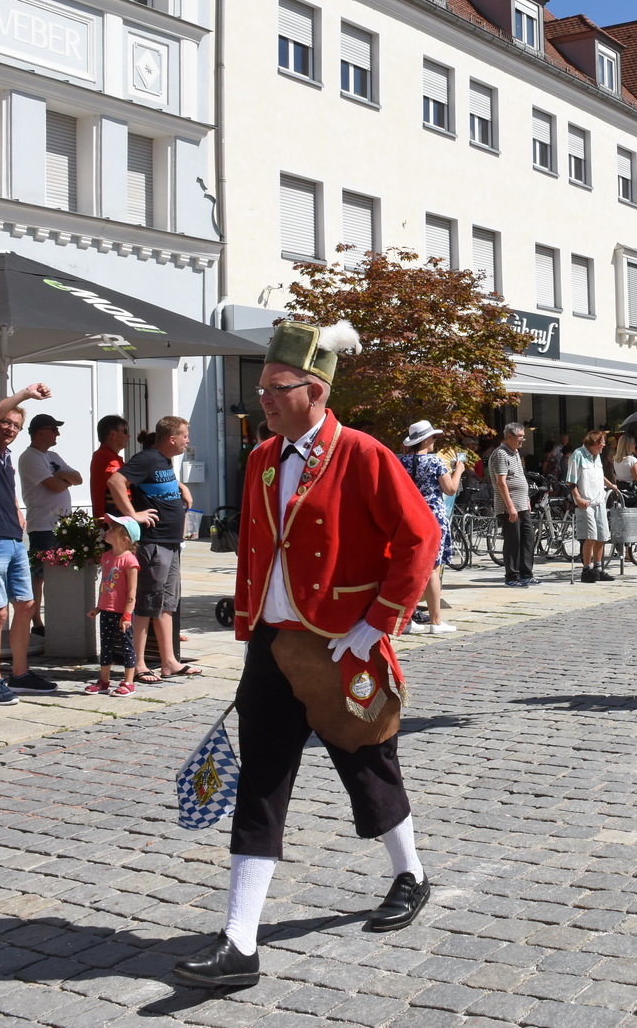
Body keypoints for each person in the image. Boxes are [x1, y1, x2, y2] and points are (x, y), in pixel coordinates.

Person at [174, 318, 439, 989]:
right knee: (261, 780)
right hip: (273, 645)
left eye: (275, 387)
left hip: (341, 643)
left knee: (366, 760)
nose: (261, 398)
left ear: (314, 390)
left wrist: (379, 621)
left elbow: (421, 537)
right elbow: (258, 547)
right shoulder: (262, 457)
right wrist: (246, 620)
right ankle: (239, 941)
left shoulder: (363, 453)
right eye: (261, 387)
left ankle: (410, 873)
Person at [0, 382, 60, 705]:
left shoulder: (5, 457)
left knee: (27, 606)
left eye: (16, 425)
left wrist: (17, 510)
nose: (10, 429)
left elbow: (3, 491)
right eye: (6, 422)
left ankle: (20, 674)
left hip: (15, 540)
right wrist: (24, 395)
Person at [110, 416, 201, 681]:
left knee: (167, 604)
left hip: (170, 542)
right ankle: (138, 664)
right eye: (185, 436)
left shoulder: (164, 461)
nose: (188, 441)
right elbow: (115, 481)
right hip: (154, 543)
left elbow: (157, 484)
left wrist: (182, 487)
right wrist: (132, 515)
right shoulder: (147, 458)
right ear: (172, 439)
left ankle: (169, 662)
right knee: (147, 604)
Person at [19, 414, 82, 635]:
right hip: (43, 526)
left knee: (60, 574)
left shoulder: (53, 456)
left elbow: (78, 478)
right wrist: (65, 480)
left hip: (62, 526)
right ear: (40, 432)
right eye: (53, 429)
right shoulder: (30, 457)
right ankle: (37, 622)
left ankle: (58, 618)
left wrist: (63, 476)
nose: (58, 434)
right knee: (39, 576)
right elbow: (54, 486)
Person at [399, 421, 463, 632]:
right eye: (434, 437)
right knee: (432, 568)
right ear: (426, 440)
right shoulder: (435, 462)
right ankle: (436, 621)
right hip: (433, 516)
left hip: (409, 516)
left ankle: (407, 621)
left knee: (410, 566)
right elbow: (450, 489)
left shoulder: (401, 461)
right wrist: (458, 470)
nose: (435, 441)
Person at [84, 515, 140, 697]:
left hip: (123, 612)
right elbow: (105, 585)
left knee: (126, 645)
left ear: (125, 539)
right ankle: (104, 681)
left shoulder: (129, 561)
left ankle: (129, 682)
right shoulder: (106, 557)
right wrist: (99, 607)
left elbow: (131, 591)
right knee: (106, 645)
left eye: (111, 530)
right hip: (107, 610)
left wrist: (127, 614)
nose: (106, 532)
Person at [489, 422, 535, 588]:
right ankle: (512, 576)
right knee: (513, 542)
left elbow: (520, 478)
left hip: (521, 505)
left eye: (523, 436)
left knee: (528, 538)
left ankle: (526, 574)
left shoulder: (515, 452)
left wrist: (526, 499)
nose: (522, 439)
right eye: (520, 436)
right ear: (509, 436)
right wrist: (510, 507)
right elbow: (501, 483)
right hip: (509, 507)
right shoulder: (501, 454)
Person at [567, 429, 617, 583]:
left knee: (602, 536)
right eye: (602, 443)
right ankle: (586, 570)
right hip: (586, 503)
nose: (604, 446)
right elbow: (571, 481)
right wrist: (578, 499)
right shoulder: (578, 455)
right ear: (594, 443)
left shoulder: (597, 456)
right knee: (590, 537)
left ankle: (598, 569)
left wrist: (611, 485)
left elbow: (599, 475)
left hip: (599, 501)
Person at [88, 415, 129, 517]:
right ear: (113, 434)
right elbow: (120, 481)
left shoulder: (107, 455)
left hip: (115, 517)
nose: (128, 436)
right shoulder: (106, 456)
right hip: (112, 520)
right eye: (125, 431)